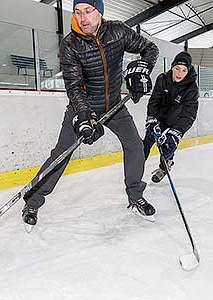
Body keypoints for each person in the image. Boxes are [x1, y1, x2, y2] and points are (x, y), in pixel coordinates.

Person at [22, 0, 159, 229]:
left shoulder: (118, 32)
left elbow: (150, 49)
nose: (82, 18)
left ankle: (135, 196)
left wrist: (142, 68)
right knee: (61, 153)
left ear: (100, 12)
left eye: (88, 11)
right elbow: (74, 86)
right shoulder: (70, 45)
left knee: (135, 145)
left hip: (115, 106)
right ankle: (32, 201)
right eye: (77, 12)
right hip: (82, 106)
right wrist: (84, 116)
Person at [142, 51, 199, 183]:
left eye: (184, 70)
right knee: (147, 142)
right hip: (160, 117)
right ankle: (137, 169)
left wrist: (177, 131)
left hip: (177, 120)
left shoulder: (192, 88)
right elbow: (154, 101)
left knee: (168, 145)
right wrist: (151, 118)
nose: (179, 73)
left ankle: (164, 166)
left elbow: (189, 113)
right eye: (177, 69)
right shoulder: (162, 79)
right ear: (172, 67)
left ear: (188, 71)